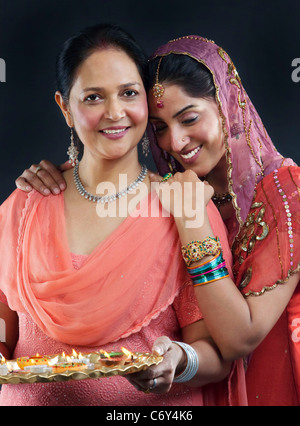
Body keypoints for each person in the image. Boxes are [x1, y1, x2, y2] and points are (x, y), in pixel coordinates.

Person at [20, 34, 300, 406]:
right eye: (161, 128)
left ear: (228, 105)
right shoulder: (177, 189)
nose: (177, 142)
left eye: (189, 119)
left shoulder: (286, 190)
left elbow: (239, 338)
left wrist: (192, 222)